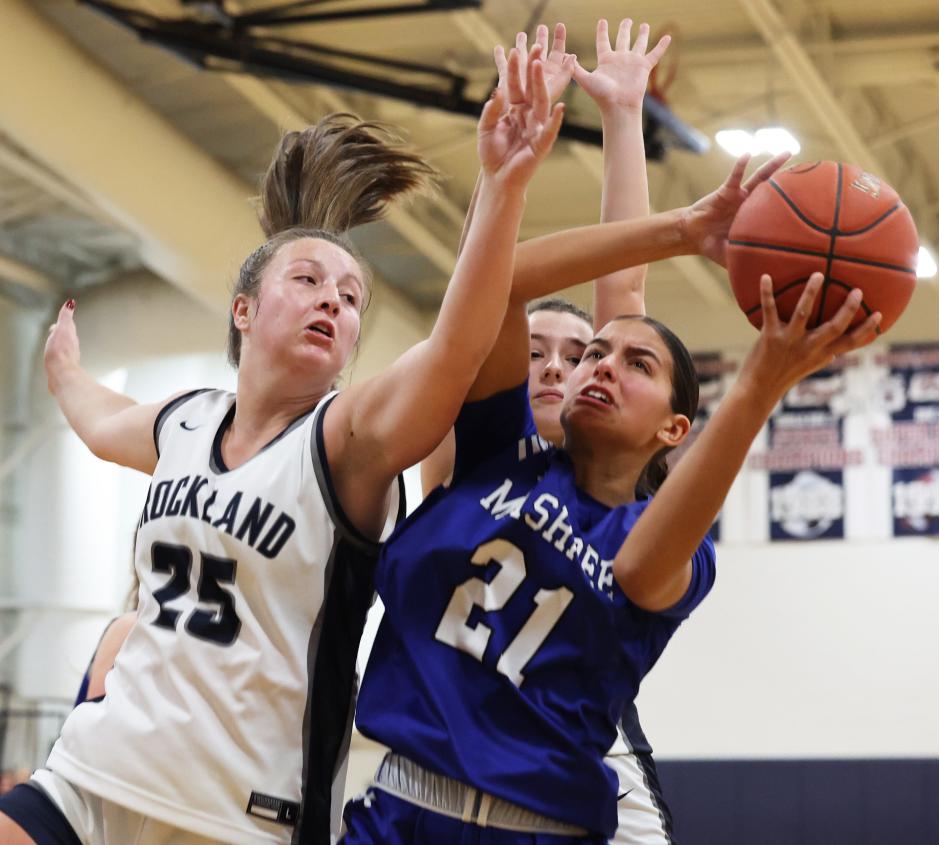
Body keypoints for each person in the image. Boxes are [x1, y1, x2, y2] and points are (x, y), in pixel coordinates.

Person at [0, 49, 566, 845]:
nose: (332, 301)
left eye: (350, 297)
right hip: (96, 774)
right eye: (307, 281)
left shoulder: (345, 441)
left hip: (243, 809)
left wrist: (502, 185)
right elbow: (102, 421)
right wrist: (63, 372)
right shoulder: (185, 422)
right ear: (243, 308)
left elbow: (454, 352)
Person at [341, 168, 884, 845]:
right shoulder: (495, 453)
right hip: (396, 809)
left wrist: (762, 378)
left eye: (638, 365)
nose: (600, 366)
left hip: (540, 829)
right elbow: (502, 279)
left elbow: (636, 571)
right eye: (595, 352)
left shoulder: (662, 547)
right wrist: (682, 229)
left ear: (673, 430)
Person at [420, 21, 677, 843]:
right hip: (443, 765)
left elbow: (625, 291)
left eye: (583, 354)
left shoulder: (616, 473)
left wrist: (625, 115)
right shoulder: (480, 443)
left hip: (579, 759)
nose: (562, 368)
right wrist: (504, 171)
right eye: (540, 352)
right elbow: (482, 286)